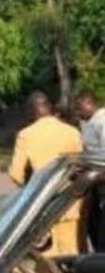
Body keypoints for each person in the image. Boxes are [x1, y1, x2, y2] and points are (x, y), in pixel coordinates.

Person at [8, 92, 85, 255]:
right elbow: (82, 167)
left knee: (49, 257)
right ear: (50, 107)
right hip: (71, 201)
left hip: (43, 205)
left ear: (30, 111)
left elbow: (16, 174)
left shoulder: (26, 135)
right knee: (71, 253)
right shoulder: (72, 132)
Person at [77, 92, 105, 251]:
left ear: (90, 104)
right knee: (92, 222)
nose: (78, 112)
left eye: (80, 108)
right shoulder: (86, 122)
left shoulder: (102, 121)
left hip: (100, 177)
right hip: (93, 179)